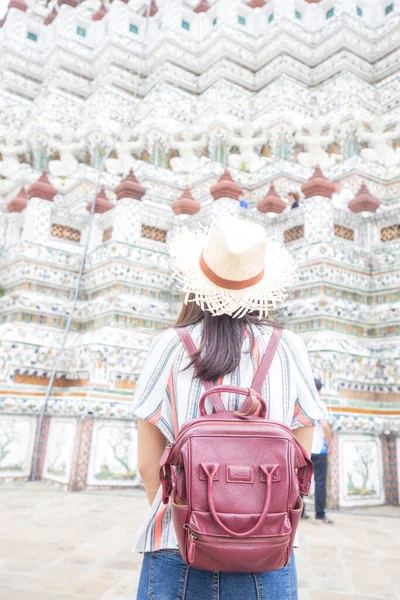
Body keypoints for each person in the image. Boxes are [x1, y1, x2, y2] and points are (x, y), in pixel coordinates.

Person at [132, 217, 327, 600]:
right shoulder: (289, 348)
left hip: (177, 549)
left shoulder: (170, 346)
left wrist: (190, 518)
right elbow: (299, 459)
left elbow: (147, 463)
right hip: (268, 550)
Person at [310, 379, 333, 524]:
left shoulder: (302, 402)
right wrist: (330, 444)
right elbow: (324, 425)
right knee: (320, 482)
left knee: (300, 481)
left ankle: (300, 513)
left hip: (305, 449)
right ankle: (320, 514)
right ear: (319, 390)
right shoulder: (320, 404)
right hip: (319, 449)